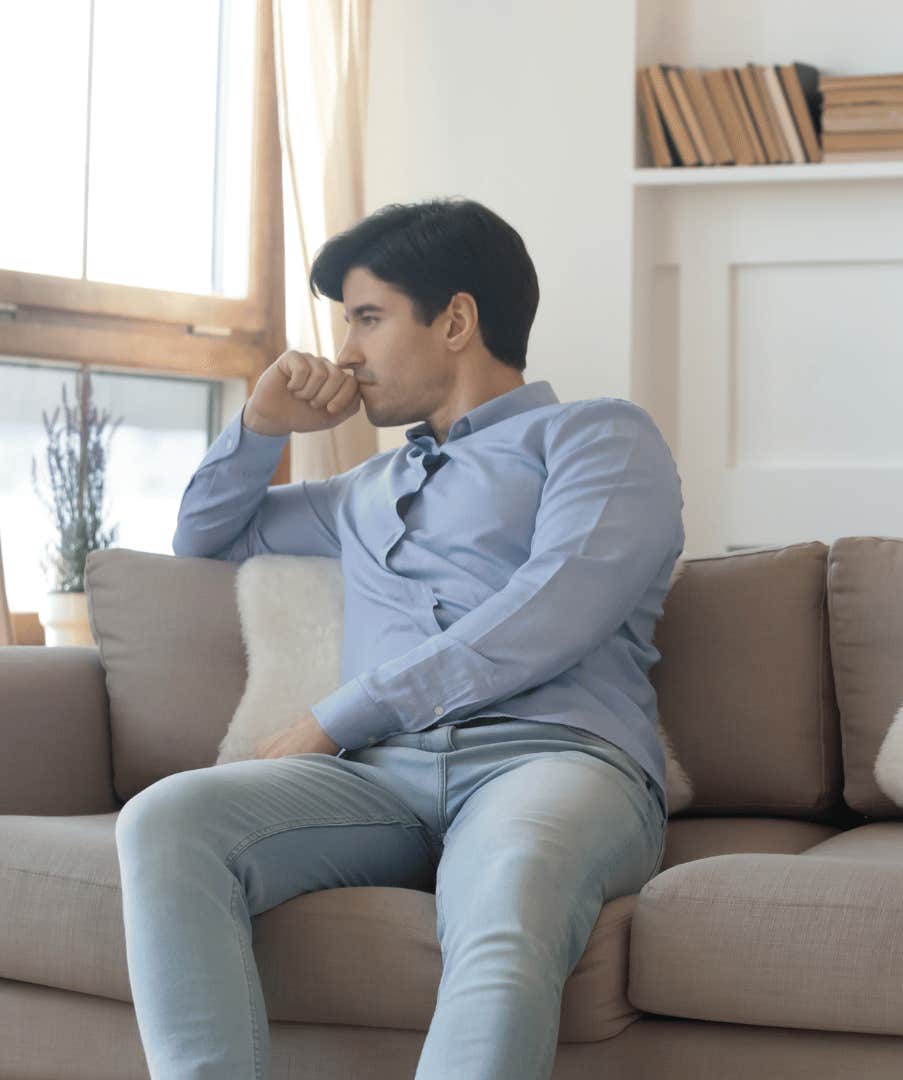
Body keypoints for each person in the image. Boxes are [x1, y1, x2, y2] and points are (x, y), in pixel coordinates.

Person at [115, 197, 684, 1080]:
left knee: (513, 888)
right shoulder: (362, 489)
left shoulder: (599, 436)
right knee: (166, 819)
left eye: (368, 318)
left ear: (456, 320)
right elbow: (204, 538)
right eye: (346, 323)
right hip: (379, 780)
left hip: (553, 762)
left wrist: (341, 715)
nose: (345, 350)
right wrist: (259, 426)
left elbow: (556, 604)